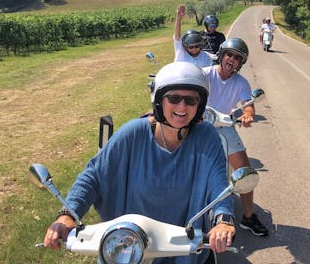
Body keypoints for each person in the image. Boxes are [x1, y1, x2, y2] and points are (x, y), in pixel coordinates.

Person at [44, 62, 236, 264]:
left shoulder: (207, 137)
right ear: (159, 100)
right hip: (128, 246)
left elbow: (218, 185)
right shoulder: (133, 133)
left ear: (200, 105)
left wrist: (223, 219)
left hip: (183, 247)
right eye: (174, 98)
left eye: (191, 100)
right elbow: (93, 176)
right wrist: (68, 214)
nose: (182, 106)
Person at [203, 38, 269, 237]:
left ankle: (248, 216)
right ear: (222, 55)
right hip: (199, 125)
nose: (232, 59)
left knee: (245, 171)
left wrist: (248, 113)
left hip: (224, 126)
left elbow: (248, 103)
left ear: (240, 64)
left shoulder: (241, 82)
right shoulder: (205, 74)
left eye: (237, 58)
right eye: (229, 54)